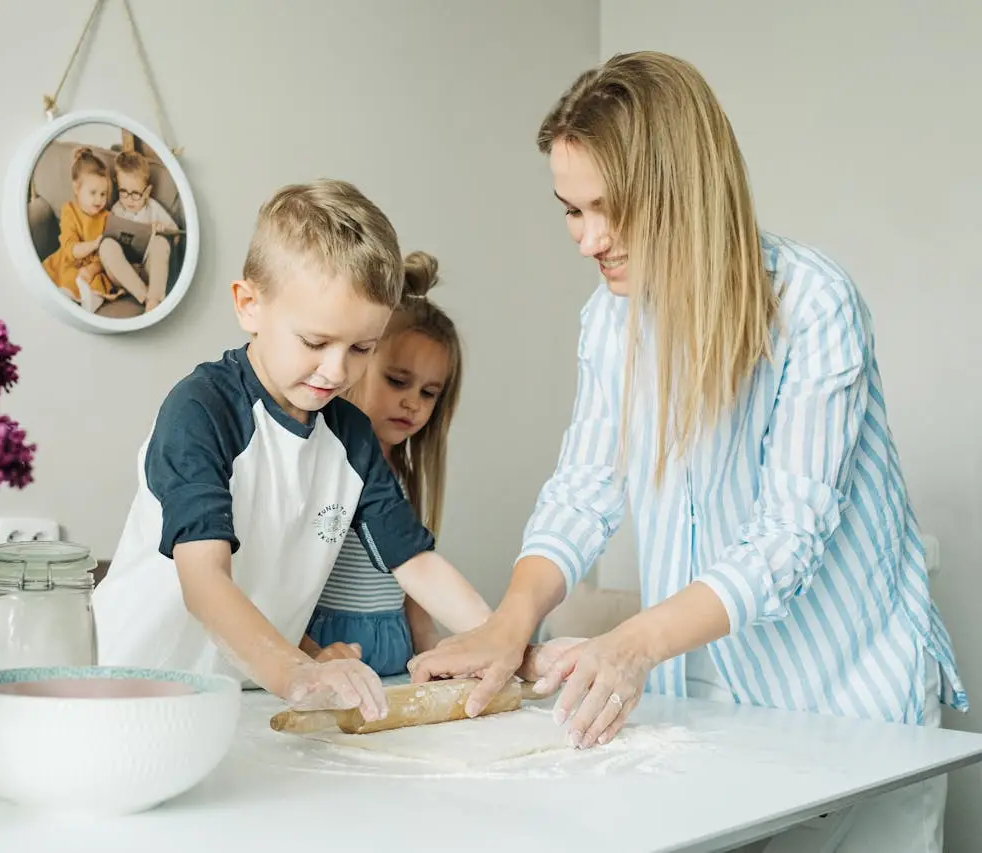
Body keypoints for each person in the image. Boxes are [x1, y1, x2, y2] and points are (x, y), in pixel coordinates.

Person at [408, 51, 965, 852]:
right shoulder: (609, 322)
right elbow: (583, 491)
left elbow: (786, 539)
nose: (588, 239)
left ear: (682, 188)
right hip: (710, 701)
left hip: (855, 704)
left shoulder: (813, 304)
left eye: (610, 208)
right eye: (571, 210)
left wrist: (629, 643)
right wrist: (508, 621)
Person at [93, 178, 493, 722]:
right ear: (250, 305)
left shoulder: (349, 436)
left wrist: (502, 643)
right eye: (315, 342)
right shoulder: (200, 411)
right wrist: (300, 673)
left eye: (361, 349)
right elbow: (205, 581)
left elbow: (415, 563)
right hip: (144, 693)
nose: (336, 370)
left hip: (256, 698)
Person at [300, 250, 463, 676]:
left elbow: (411, 578)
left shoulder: (404, 479)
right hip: (331, 648)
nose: (412, 402)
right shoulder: (327, 467)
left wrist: (429, 645)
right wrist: (310, 654)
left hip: (395, 650)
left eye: (429, 393)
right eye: (397, 381)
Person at [99, 150, 180, 313]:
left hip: (147, 270)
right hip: (123, 275)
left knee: (161, 242)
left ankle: (154, 300)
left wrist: (163, 230)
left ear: (147, 191)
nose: (129, 199)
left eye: (135, 193)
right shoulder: (116, 209)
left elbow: (177, 235)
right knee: (106, 245)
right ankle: (144, 295)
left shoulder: (153, 208)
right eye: (123, 192)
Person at [41, 147, 115, 314]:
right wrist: (95, 244)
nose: (99, 200)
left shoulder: (107, 217)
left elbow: (108, 256)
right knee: (68, 276)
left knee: (94, 282)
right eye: (93, 193)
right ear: (76, 188)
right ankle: (65, 298)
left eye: (103, 194)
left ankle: (87, 301)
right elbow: (70, 250)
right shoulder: (69, 210)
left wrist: (92, 268)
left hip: (95, 267)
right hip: (69, 260)